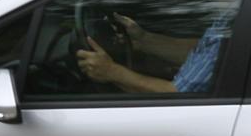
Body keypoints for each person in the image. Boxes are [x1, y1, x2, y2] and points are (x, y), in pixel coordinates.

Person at [76, 9, 234, 94]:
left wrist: (111, 71)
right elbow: (205, 51)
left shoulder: (241, 12)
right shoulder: (236, 11)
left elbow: (177, 96)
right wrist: (143, 39)